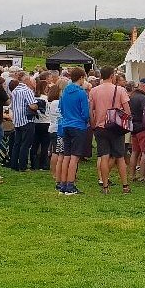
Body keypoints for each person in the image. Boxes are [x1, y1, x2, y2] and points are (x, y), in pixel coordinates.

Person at [89, 66, 131, 194]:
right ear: (112, 76)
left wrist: (94, 124)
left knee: (104, 156)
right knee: (120, 157)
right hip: (115, 127)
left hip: (100, 127)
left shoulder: (94, 91)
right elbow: (127, 110)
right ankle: (125, 186)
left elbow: (91, 110)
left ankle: (105, 186)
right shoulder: (120, 90)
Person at [55, 67, 90, 195]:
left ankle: (62, 184)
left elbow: (62, 109)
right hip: (78, 126)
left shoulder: (64, 92)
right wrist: (85, 120)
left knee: (66, 156)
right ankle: (70, 185)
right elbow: (85, 113)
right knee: (75, 158)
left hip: (66, 125)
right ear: (81, 78)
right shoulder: (81, 93)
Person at [8, 74, 39, 171]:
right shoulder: (27, 91)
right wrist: (38, 106)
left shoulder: (15, 91)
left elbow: (11, 105)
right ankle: (23, 165)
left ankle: (14, 164)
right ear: (26, 80)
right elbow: (32, 105)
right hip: (27, 120)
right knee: (25, 144)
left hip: (17, 119)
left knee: (17, 143)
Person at [128, 77, 145, 180]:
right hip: (142, 128)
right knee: (144, 153)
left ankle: (132, 175)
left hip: (133, 127)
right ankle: (142, 176)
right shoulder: (143, 98)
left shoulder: (132, 96)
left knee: (134, 152)